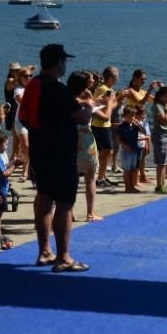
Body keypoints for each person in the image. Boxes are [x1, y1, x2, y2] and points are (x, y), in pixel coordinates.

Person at [25, 44, 93, 273]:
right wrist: (90, 106)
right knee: (65, 202)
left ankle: (44, 251)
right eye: (64, 61)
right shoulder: (56, 88)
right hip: (60, 153)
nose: (66, 65)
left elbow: (23, 118)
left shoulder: (33, 85)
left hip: (39, 150)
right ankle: (64, 256)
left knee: (44, 198)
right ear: (58, 63)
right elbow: (82, 118)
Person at [67, 71, 101, 222]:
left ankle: (69, 211)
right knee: (90, 178)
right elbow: (87, 117)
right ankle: (90, 212)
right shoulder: (86, 96)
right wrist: (92, 102)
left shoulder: (66, 96)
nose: (94, 81)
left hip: (70, 139)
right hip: (85, 140)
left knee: (72, 179)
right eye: (92, 80)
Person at [91, 66, 119, 188]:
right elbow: (106, 108)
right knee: (106, 151)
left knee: (107, 151)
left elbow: (109, 106)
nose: (118, 77)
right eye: (117, 75)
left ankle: (102, 176)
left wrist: (117, 100)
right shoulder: (103, 89)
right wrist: (118, 100)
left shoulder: (107, 88)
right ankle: (100, 178)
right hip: (100, 125)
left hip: (104, 125)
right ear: (112, 77)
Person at [151, 86, 167, 194]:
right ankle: (159, 186)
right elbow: (164, 120)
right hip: (161, 136)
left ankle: (163, 184)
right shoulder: (158, 106)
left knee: (165, 162)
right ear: (161, 96)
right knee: (161, 163)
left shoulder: (164, 105)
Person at [116, 105, 143, 193]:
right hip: (127, 150)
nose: (132, 117)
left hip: (134, 149)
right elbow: (117, 139)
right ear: (124, 116)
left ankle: (131, 186)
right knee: (127, 170)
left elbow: (144, 132)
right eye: (130, 116)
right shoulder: (122, 126)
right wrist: (124, 145)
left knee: (132, 169)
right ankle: (127, 187)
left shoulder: (135, 126)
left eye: (133, 115)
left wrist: (139, 125)